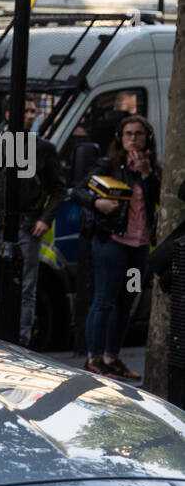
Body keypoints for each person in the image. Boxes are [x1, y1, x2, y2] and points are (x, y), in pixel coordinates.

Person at [0, 94, 68, 347]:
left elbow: (59, 188)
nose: (31, 115)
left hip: (27, 224)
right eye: (26, 111)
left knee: (26, 287)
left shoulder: (43, 148)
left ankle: (21, 343)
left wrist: (45, 219)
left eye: (33, 111)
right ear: (9, 114)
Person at [71, 114, 161, 381]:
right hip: (112, 244)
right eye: (128, 134)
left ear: (148, 139)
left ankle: (112, 356)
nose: (133, 139)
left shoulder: (152, 170)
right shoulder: (108, 165)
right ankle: (94, 358)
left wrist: (146, 174)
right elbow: (78, 191)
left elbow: (157, 199)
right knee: (105, 300)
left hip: (139, 248)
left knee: (127, 300)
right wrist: (97, 204)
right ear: (120, 139)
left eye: (139, 134)